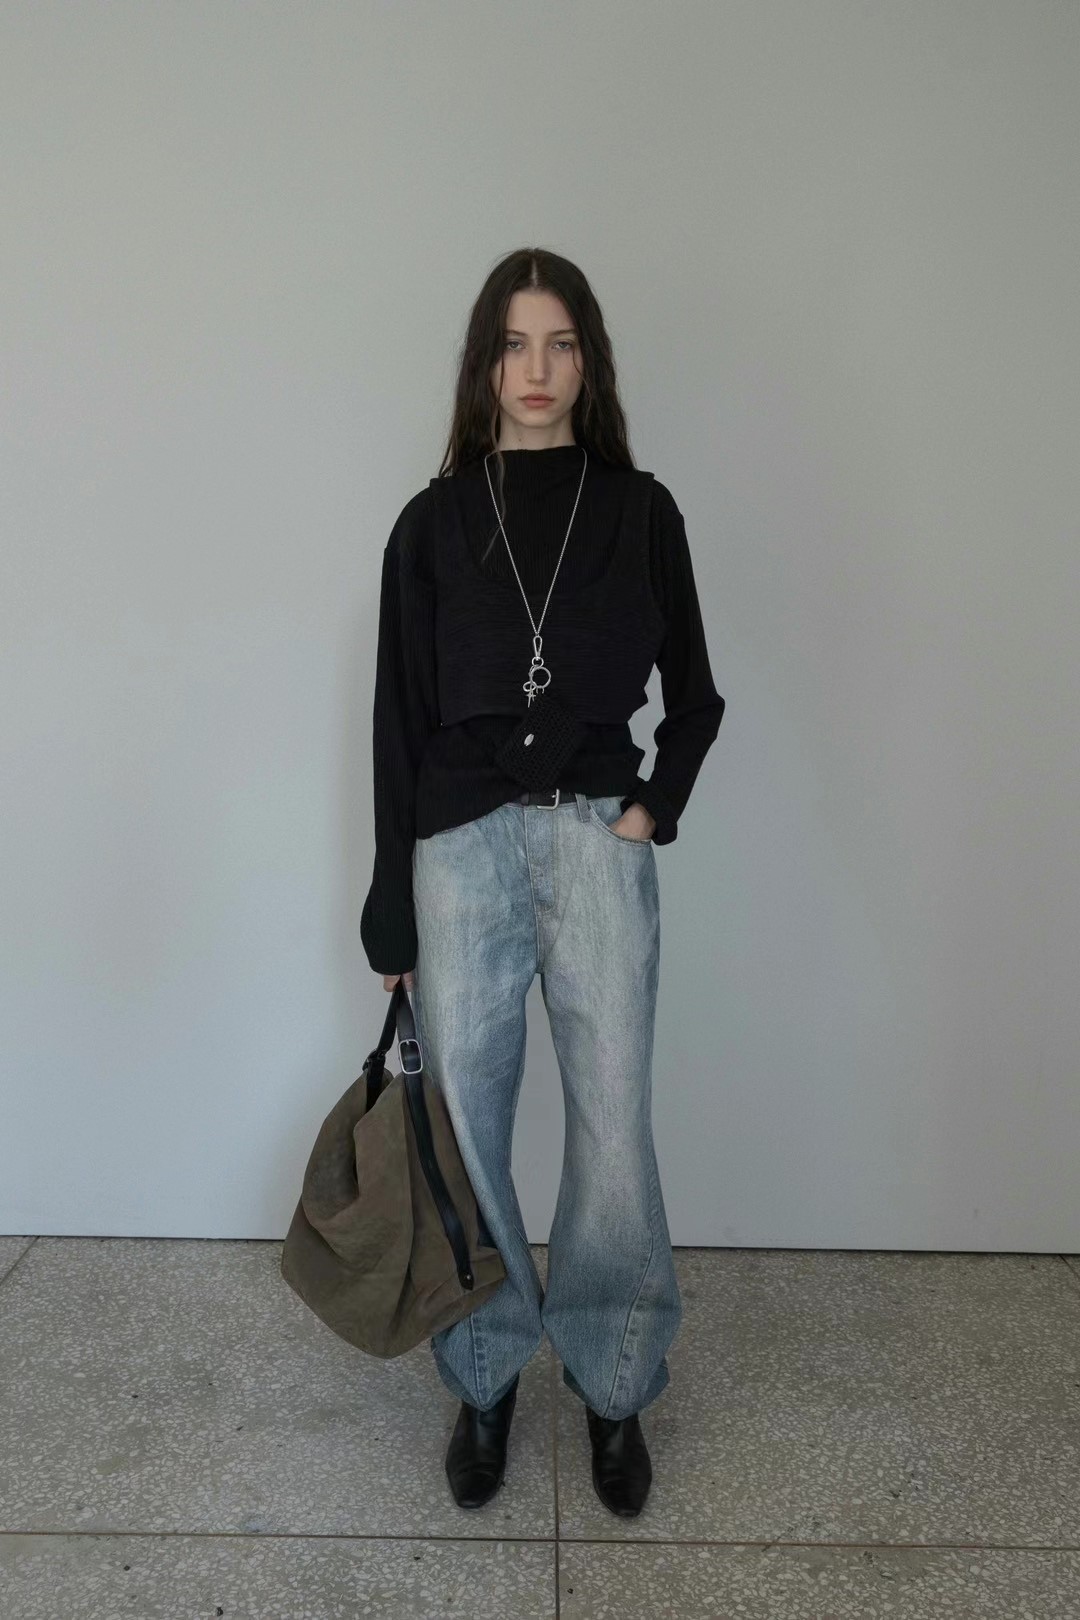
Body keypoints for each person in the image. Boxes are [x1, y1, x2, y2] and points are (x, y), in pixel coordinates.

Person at [360, 247, 725, 1517]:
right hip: (458, 853)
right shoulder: (432, 523)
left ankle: (615, 1385)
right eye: (514, 344)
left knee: (612, 1125)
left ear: (589, 362)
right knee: (468, 1126)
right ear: (484, 364)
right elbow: (398, 721)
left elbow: (697, 695)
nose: (537, 369)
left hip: (593, 846)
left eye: (560, 343)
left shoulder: (639, 512)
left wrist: (653, 808)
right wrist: (391, 905)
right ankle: (486, 1374)